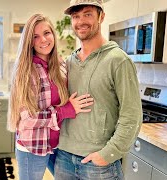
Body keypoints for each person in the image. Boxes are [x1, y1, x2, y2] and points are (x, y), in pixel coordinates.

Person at [54, 0, 143, 179]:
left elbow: (132, 116)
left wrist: (108, 154)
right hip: (64, 158)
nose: (80, 22)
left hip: (99, 165)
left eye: (88, 14)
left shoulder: (118, 61)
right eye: (76, 16)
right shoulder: (69, 63)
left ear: (101, 16)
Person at [7, 13, 94, 180]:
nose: (43, 40)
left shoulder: (61, 65)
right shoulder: (26, 72)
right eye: (35, 36)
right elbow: (28, 118)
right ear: (29, 42)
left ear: (53, 34)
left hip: (58, 144)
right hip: (33, 146)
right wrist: (65, 111)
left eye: (47, 33)